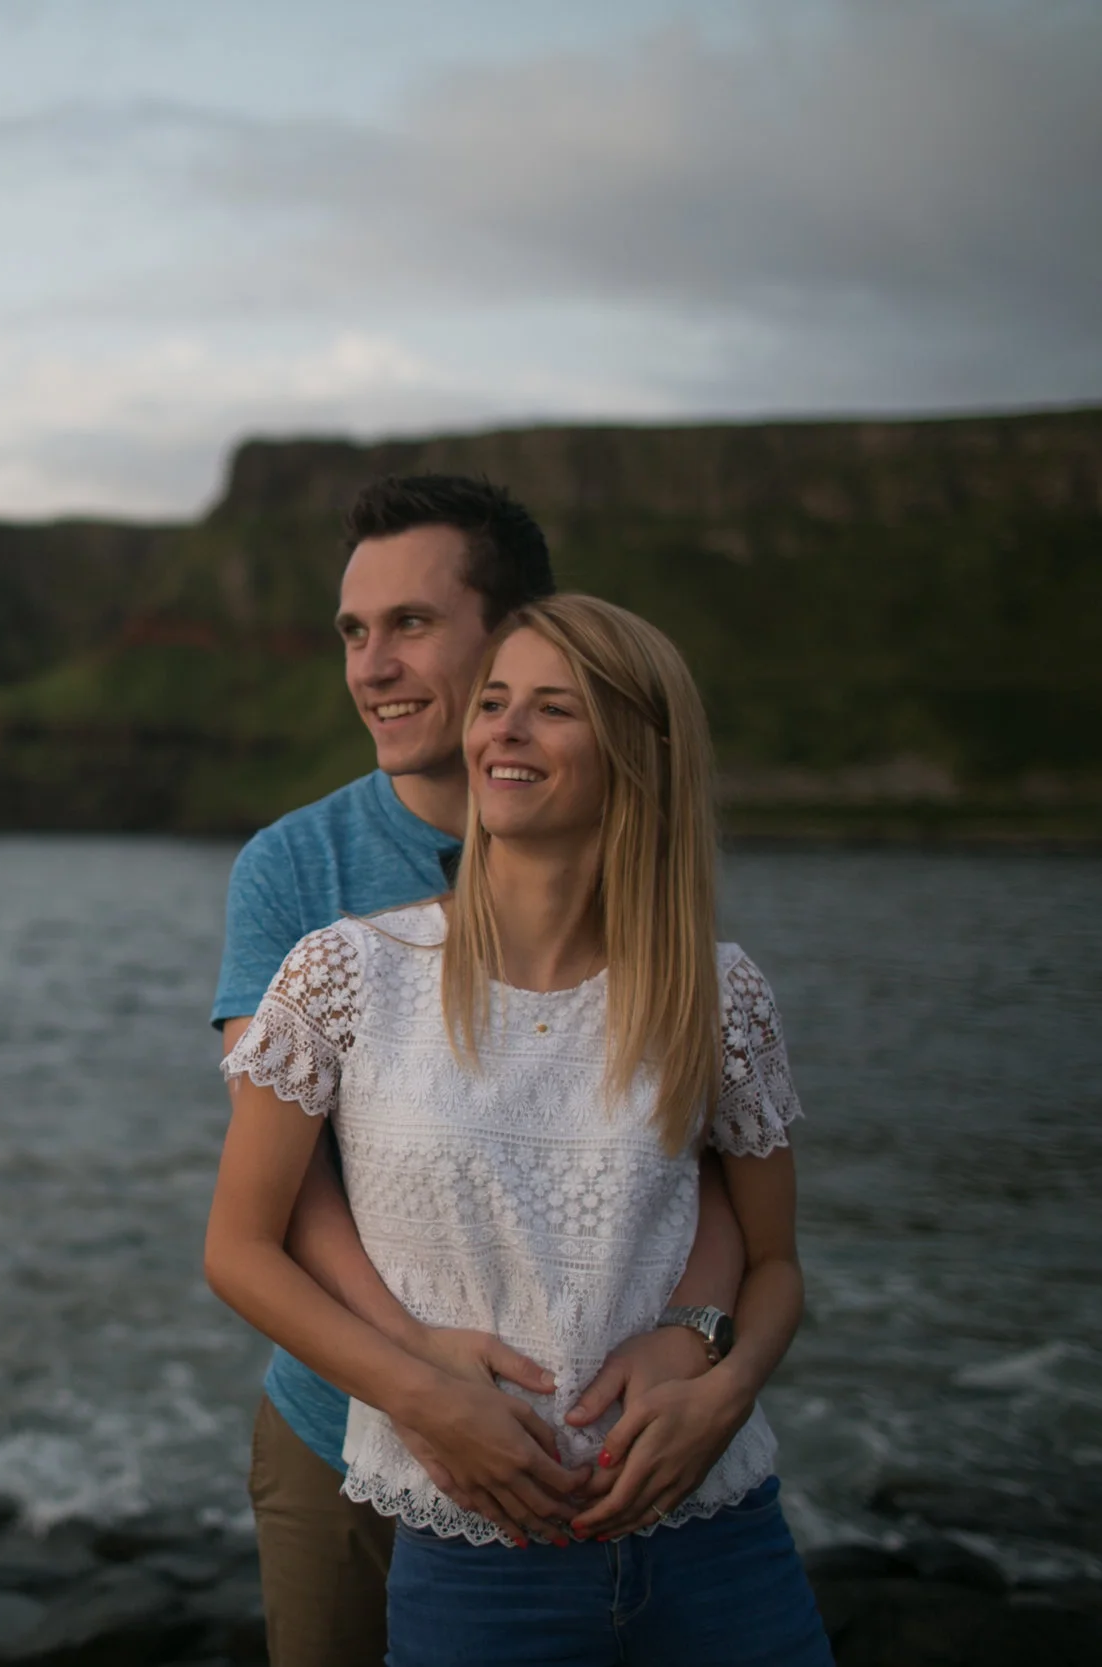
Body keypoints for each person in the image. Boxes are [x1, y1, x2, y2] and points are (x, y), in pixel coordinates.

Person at [206, 593, 831, 1665]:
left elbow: (774, 1264)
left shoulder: (716, 992)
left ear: (636, 752)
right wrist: (416, 1394)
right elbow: (238, 1249)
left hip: (717, 1539)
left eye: (553, 709)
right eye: (493, 702)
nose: (501, 729)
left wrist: (720, 1390)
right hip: (479, 1552)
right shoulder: (344, 972)